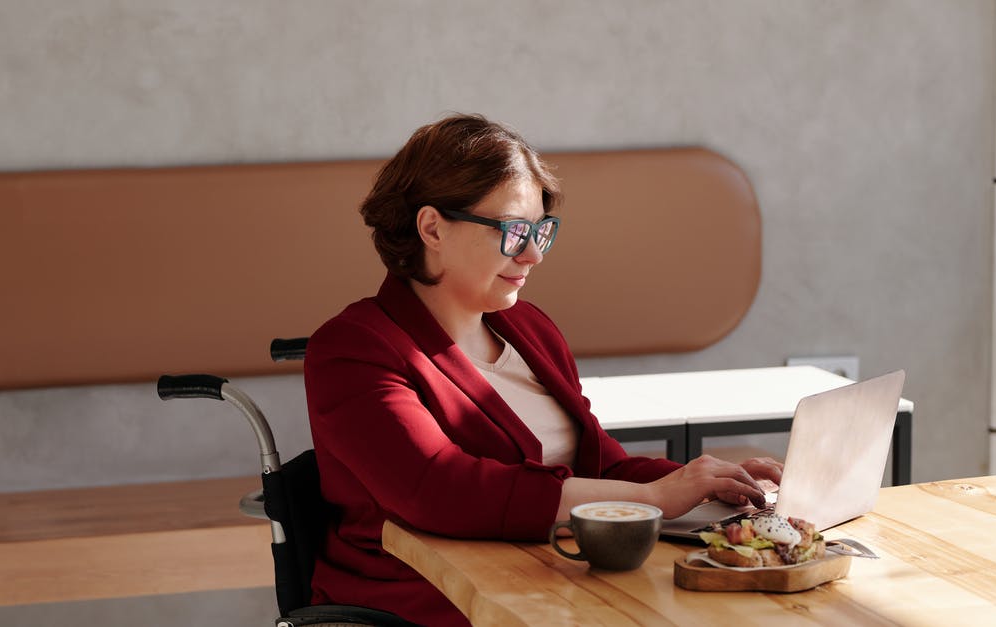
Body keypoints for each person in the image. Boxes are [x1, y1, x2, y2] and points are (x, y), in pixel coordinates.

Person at [304, 114, 782, 626]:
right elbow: (439, 491)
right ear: (432, 228)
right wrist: (653, 499)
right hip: (430, 604)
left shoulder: (529, 328)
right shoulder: (353, 350)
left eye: (540, 231)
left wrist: (707, 483)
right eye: (513, 231)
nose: (532, 254)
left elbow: (601, 469)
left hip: (548, 588)